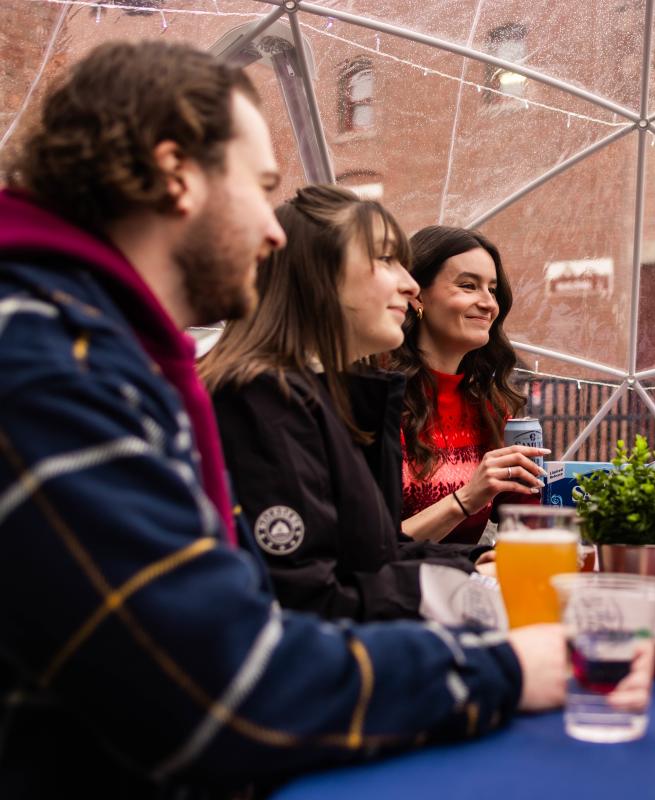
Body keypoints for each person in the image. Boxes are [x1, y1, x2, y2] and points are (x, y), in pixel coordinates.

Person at [0, 41, 579, 798]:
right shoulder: (49, 362)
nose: (276, 234)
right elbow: (225, 684)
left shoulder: (94, 350)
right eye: (261, 185)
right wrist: (502, 669)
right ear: (176, 174)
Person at [200, 184, 493, 622]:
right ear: (320, 275)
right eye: (385, 260)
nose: (410, 284)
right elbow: (305, 597)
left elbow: (372, 552)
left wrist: (475, 564)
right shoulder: (257, 403)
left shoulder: (334, 397)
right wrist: (464, 594)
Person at [392, 226, 545, 545]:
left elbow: (525, 524)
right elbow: (366, 549)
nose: (488, 303)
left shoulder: (491, 406)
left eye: (492, 289)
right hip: (396, 590)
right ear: (417, 294)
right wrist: (465, 499)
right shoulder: (376, 400)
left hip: (466, 589)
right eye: (468, 286)